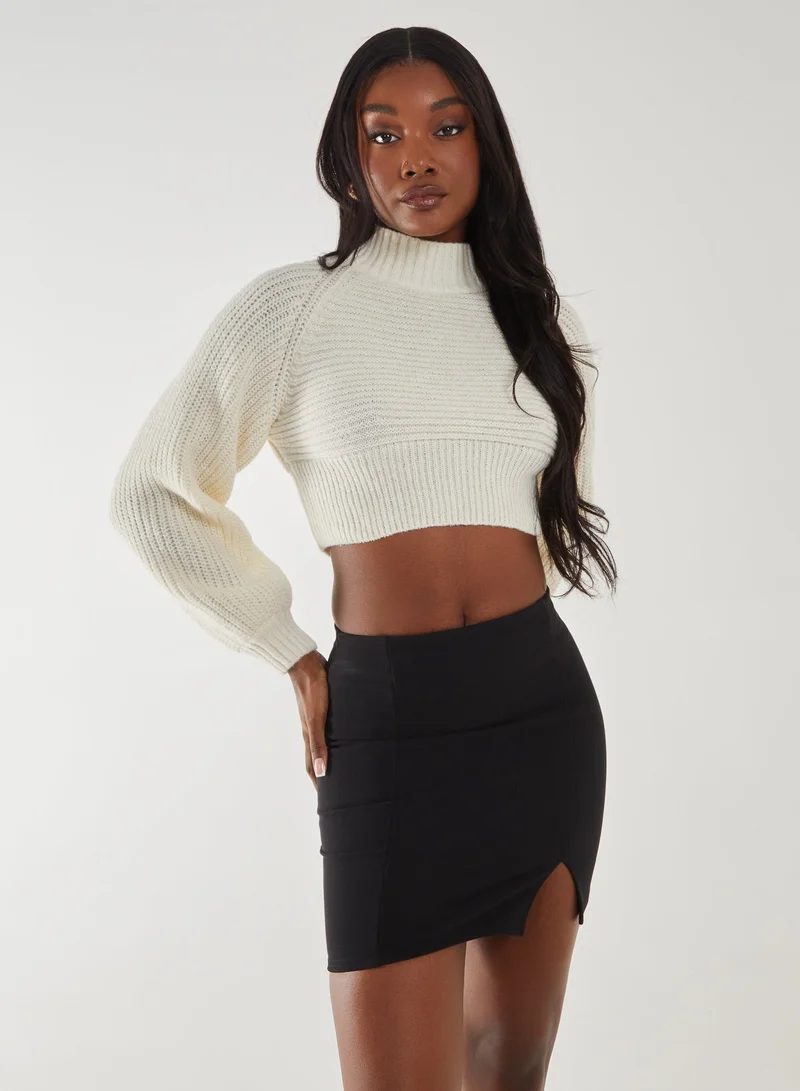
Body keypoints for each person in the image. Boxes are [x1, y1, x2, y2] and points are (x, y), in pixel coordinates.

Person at [109, 25, 617, 1091]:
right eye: (382, 134)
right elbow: (152, 490)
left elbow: (533, 497)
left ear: (484, 144)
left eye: (445, 128)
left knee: (510, 1067)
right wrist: (286, 646)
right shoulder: (294, 310)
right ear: (348, 155)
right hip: (390, 723)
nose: (414, 158)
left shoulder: (534, 317)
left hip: (539, 712)